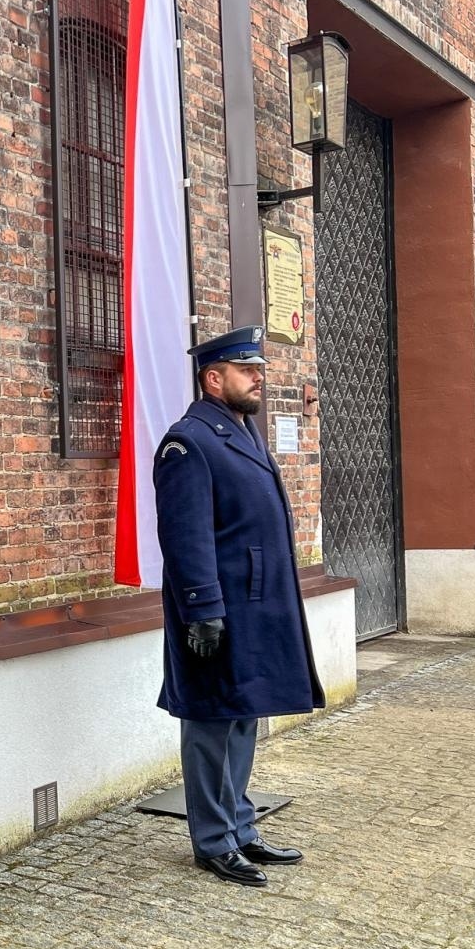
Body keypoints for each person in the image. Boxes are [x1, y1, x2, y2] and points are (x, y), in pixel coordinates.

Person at [153, 324, 324, 887]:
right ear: (213, 377)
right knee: (211, 722)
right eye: (247, 371)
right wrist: (202, 609)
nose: (259, 378)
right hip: (216, 610)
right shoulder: (188, 441)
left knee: (244, 716)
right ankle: (212, 841)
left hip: (254, 605)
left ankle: (240, 827)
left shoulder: (241, 432)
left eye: (258, 370)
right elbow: (185, 537)